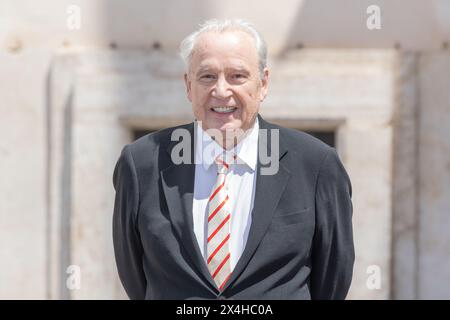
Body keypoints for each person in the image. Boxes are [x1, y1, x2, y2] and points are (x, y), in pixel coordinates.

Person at [112, 19, 354, 300]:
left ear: (263, 83)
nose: (221, 91)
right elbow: (133, 275)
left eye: (237, 76)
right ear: (188, 86)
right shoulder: (142, 164)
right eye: (207, 76)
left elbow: (333, 281)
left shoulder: (316, 165)